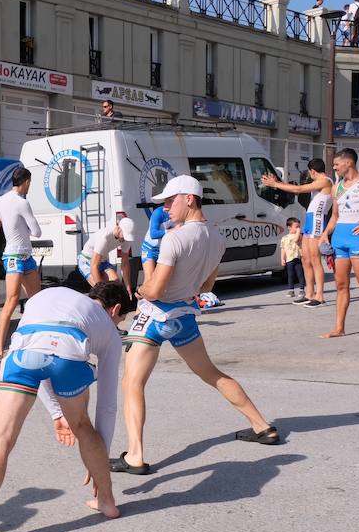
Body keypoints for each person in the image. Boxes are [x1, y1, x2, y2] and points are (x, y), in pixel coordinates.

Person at [0, 282, 130, 532]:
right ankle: (107, 502)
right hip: (69, 352)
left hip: (25, 349)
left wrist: (55, 413)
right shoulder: (108, 328)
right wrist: (97, 465)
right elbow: (107, 405)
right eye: (122, 319)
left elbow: (38, 357)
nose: (119, 323)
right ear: (115, 310)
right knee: (83, 426)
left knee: (0, 441)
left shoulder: (45, 296)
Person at [115, 175, 281, 474]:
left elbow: (155, 290)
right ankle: (262, 426)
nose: (165, 208)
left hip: (155, 315)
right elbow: (206, 286)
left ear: (189, 198)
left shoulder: (174, 239)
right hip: (186, 316)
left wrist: (145, 265)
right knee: (212, 374)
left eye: (169, 201)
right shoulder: (216, 238)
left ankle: (135, 456)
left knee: (131, 383)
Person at [0, 167, 42, 364]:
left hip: (21, 256)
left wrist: (1, 221)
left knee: (36, 300)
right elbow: (37, 232)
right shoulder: (23, 203)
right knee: (14, 301)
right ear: (25, 182)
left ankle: (34, 340)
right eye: (30, 182)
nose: (30, 185)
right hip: (16, 256)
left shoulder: (0, 201)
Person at [260, 158, 334, 307]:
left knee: (314, 260)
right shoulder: (318, 182)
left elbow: (299, 189)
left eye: (309, 173)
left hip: (317, 221)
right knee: (305, 259)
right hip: (309, 219)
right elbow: (297, 188)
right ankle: (309, 294)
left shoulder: (326, 181)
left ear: (313, 171)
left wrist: (275, 184)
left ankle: (319, 296)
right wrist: (278, 183)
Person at [322, 148, 359, 339]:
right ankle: (339, 327)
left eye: (337, 164)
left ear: (349, 163)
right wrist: (325, 233)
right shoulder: (336, 187)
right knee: (341, 285)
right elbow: (335, 216)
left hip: (358, 238)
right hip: (339, 239)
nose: (334, 167)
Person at [78, 217, 136, 296]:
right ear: (118, 228)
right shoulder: (104, 237)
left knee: (116, 287)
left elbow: (125, 263)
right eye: (124, 235)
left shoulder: (126, 238)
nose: (125, 239)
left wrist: (128, 286)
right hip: (87, 261)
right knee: (103, 292)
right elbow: (94, 266)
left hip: (103, 261)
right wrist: (101, 291)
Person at [140, 205, 172, 284]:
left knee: (164, 281)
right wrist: (171, 231)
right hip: (150, 248)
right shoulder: (159, 212)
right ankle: (139, 294)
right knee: (149, 280)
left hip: (164, 250)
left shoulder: (180, 212)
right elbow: (153, 234)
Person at [281, 218, 306, 302]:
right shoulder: (284, 238)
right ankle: (291, 290)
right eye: (296, 226)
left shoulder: (299, 236)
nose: (298, 228)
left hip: (297, 258)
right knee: (290, 275)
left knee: (300, 274)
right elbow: (283, 249)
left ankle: (302, 289)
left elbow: (296, 240)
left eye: (299, 226)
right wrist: (282, 259)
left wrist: (298, 231)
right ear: (289, 227)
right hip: (289, 259)